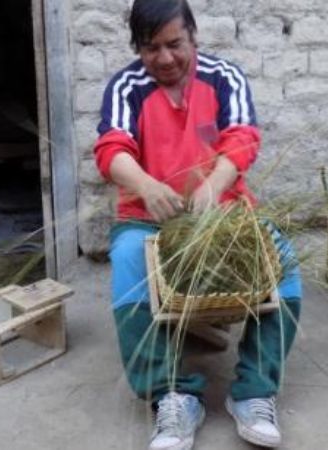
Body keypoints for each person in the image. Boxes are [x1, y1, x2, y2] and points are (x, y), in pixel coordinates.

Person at [93, 1, 302, 448]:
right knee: (130, 261)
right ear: (137, 48)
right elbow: (111, 150)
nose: (165, 58)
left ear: (194, 36)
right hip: (148, 219)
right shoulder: (126, 86)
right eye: (151, 48)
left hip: (224, 212)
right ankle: (171, 394)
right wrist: (147, 185)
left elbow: (244, 137)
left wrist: (214, 184)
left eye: (175, 44)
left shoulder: (224, 77)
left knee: (283, 261)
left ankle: (254, 390)